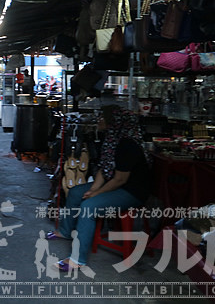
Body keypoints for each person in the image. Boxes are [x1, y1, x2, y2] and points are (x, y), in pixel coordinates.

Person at [46, 105, 151, 272]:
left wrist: (96, 193)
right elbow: (104, 167)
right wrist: (93, 189)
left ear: (114, 122)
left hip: (131, 191)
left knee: (89, 207)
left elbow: (119, 179)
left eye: (102, 117)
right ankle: (66, 231)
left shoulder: (128, 144)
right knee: (75, 192)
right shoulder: (112, 139)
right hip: (113, 183)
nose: (98, 119)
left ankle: (77, 260)